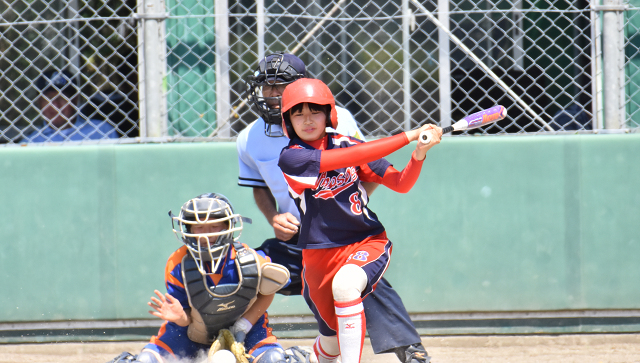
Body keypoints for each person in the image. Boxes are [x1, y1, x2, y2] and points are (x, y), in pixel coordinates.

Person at [237, 52, 431, 363]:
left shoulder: (343, 130)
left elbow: (365, 165)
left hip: (354, 236)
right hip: (303, 239)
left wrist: (416, 154)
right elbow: (261, 188)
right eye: (268, 87)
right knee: (248, 267)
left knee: (352, 282)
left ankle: (405, 346)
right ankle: (236, 332)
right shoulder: (256, 141)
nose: (273, 94)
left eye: (280, 86)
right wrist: (273, 217)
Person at [277, 78, 442, 363]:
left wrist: (419, 154)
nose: (307, 119)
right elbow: (353, 155)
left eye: (314, 111)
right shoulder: (292, 157)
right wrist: (409, 135)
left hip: (364, 241)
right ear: (288, 120)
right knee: (331, 342)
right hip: (318, 253)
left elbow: (401, 183)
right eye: (298, 113)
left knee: (345, 285)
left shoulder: (345, 143)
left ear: (329, 113)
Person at [108, 193, 308, 363]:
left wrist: (243, 325)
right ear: (189, 230)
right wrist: (180, 318)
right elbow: (186, 318)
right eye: (199, 228)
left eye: (214, 227)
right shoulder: (178, 264)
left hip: (247, 330)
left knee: (274, 360)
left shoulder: (251, 260)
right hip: (190, 332)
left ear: (228, 226)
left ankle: (294, 355)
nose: (206, 235)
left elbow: (268, 293)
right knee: (145, 360)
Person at [22, 69, 117, 143]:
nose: (55, 105)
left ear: (75, 100)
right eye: (49, 99)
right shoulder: (30, 142)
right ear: (39, 102)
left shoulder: (101, 131)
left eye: (62, 98)